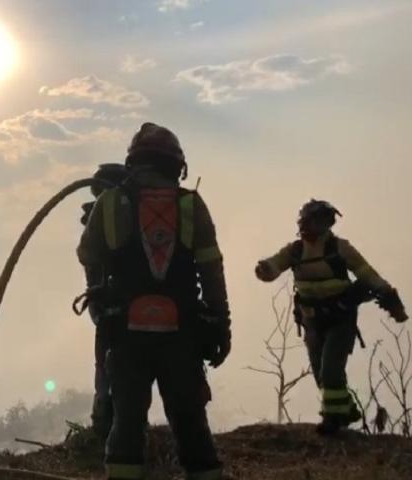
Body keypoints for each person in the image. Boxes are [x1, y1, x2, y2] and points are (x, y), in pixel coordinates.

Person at [78, 122, 230, 480]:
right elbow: (212, 270)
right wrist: (222, 325)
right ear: (177, 167)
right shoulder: (192, 205)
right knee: (191, 422)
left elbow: (89, 254)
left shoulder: (110, 202)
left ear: (133, 163)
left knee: (127, 422)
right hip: (182, 335)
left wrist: (100, 300)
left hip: (126, 333)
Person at [255, 199, 407, 435]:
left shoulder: (340, 248)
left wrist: (391, 299)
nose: (322, 226)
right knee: (321, 375)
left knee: (331, 370)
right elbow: (275, 265)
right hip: (311, 322)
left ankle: (333, 420)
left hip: (340, 319)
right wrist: (264, 269)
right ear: (305, 221)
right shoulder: (295, 250)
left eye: (326, 221)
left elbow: (368, 274)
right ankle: (347, 410)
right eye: (317, 221)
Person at [78, 163, 130, 439]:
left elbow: (86, 256)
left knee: (109, 370)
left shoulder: (95, 222)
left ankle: (105, 426)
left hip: (110, 309)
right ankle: (107, 425)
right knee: (113, 371)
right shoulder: (117, 217)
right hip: (114, 308)